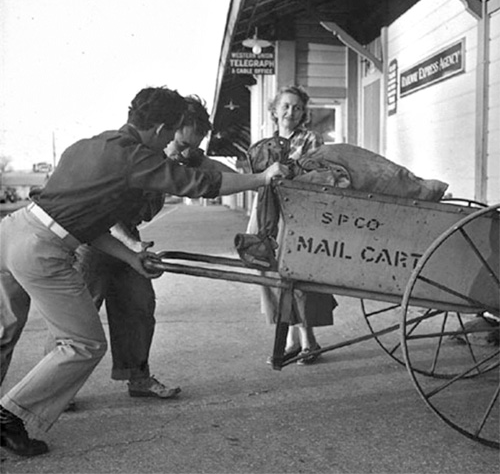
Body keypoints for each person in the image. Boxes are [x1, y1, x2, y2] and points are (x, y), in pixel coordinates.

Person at [0, 86, 288, 457]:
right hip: (41, 249)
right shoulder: (135, 157)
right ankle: (10, 416)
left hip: (13, 231)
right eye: (170, 134)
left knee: (4, 330)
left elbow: (84, 223)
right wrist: (262, 179)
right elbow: (199, 183)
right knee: (84, 343)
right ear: (160, 129)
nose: (171, 142)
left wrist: (131, 257)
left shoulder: (91, 144)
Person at [45, 95, 224, 408]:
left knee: (139, 305)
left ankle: (138, 377)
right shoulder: (126, 155)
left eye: (191, 148)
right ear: (164, 130)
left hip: (129, 239)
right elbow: (104, 215)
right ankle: (54, 388)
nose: (184, 154)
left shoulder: (174, 158)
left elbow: (215, 174)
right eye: (180, 144)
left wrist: (260, 180)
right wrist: (132, 246)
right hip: (95, 238)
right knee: (76, 314)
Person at [244, 85, 337, 365]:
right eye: (285, 106)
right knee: (270, 271)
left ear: (303, 113)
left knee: (298, 275)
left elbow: (318, 173)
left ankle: (309, 340)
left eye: (297, 108)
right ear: (274, 110)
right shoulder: (262, 147)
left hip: (298, 212)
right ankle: (290, 339)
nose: (290, 112)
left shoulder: (311, 140)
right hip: (267, 211)